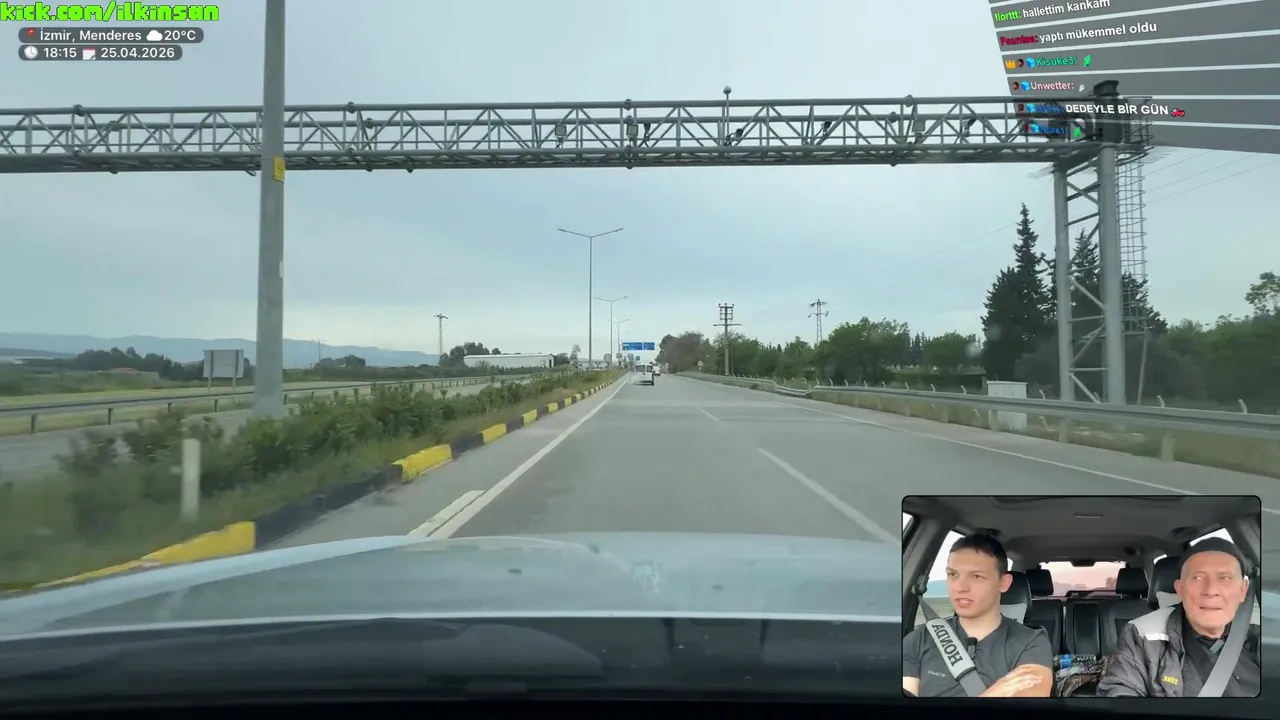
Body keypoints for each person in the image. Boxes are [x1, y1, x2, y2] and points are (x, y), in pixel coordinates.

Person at [1097, 538, 1260, 697]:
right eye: (1198, 577)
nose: (1211, 591)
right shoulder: (1143, 635)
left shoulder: (1261, 634)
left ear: (1243, 590)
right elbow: (1121, 691)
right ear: (1180, 589)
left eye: (1224, 578)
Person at [903, 534, 1053, 698]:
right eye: (953, 574)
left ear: (1003, 583)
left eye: (976, 576)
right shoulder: (919, 639)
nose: (960, 587)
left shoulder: (1031, 642)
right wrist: (992, 694)